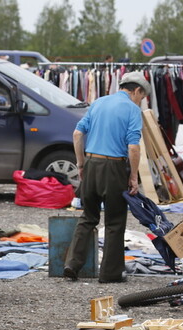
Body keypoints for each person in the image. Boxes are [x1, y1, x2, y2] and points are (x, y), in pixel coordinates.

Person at [63, 71, 149, 283]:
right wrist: (134, 177)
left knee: (88, 217)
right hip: (114, 167)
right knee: (114, 221)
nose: (141, 100)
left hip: (91, 163)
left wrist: (81, 163)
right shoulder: (132, 109)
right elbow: (134, 147)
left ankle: (72, 264)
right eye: (142, 96)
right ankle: (109, 274)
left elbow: (77, 134)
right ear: (137, 90)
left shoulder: (99, 102)